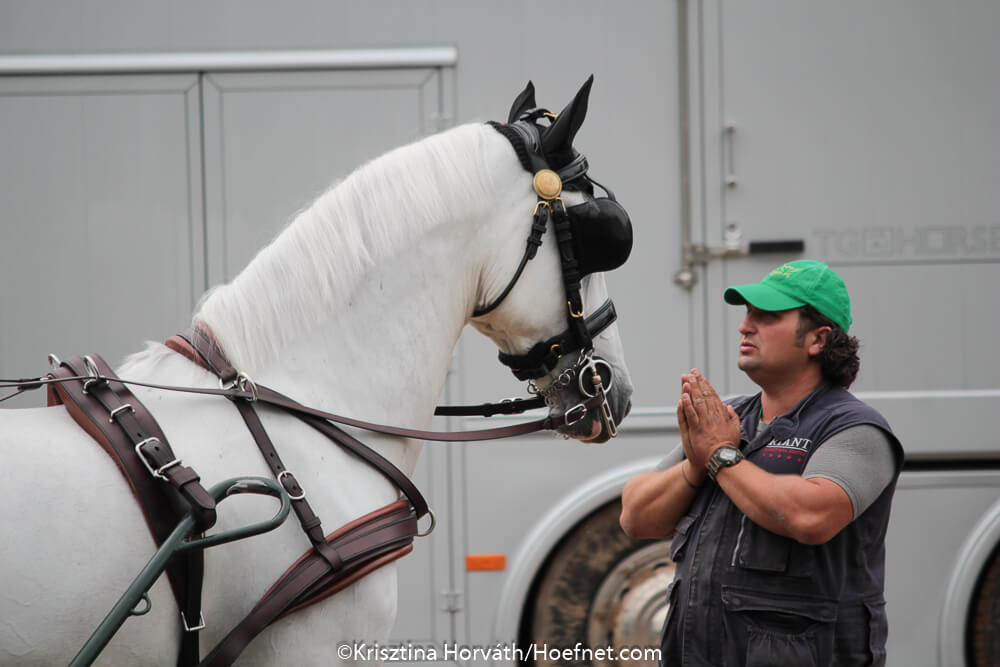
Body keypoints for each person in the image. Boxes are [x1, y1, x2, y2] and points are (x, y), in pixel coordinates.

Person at [620, 259, 902, 667]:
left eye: (767, 316)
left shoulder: (858, 429)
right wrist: (697, 465)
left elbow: (809, 515)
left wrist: (720, 456)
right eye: (747, 313)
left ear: (818, 339)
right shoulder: (728, 419)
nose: (745, 326)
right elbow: (635, 516)